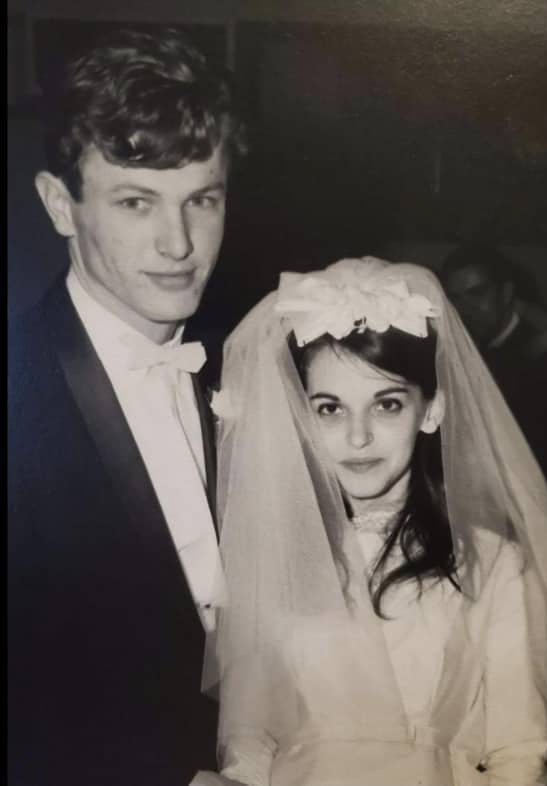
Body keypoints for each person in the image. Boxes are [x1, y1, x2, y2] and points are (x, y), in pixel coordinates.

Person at [209, 258, 547, 785]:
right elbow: (248, 739)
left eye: (386, 404)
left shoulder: (492, 561)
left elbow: (518, 752)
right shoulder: (273, 560)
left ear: (431, 410)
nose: (358, 436)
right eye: (330, 409)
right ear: (300, 418)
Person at [7, 27, 246, 786]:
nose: (179, 243)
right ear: (60, 205)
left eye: (201, 200)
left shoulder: (254, 367)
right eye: (137, 202)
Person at [440, 244, 547, 582]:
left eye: (477, 293)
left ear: (507, 293)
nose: (465, 309)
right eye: (456, 298)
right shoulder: (471, 352)